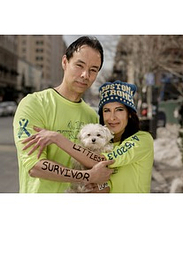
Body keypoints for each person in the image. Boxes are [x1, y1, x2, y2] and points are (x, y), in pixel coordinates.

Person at [13, 36, 114, 193]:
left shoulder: (92, 117)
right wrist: (88, 176)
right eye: (79, 65)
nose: (85, 75)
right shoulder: (34, 103)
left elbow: (98, 165)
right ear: (65, 62)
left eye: (93, 70)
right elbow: (34, 166)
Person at [22, 80, 154, 193]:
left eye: (119, 110)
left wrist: (58, 138)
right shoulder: (106, 143)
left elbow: (101, 160)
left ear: (129, 114)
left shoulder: (141, 139)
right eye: (107, 110)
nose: (112, 117)